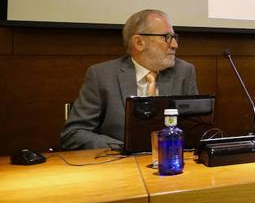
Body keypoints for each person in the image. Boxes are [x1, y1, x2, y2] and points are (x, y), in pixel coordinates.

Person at [60, 9, 198, 149]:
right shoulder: (102, 76)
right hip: (120, 166)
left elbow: (195, 129)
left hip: (170, 160)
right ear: (139, 42)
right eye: (167, 37)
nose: (175, 44)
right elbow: (74, 133)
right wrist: (124, 148)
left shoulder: (184, 72)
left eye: (174, 37)